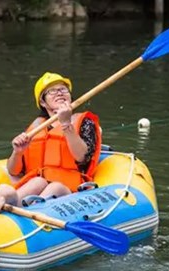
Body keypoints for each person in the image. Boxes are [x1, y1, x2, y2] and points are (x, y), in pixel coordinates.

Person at [6, 72, 102, 205]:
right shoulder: (36, 128)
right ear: (42, 102)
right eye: (52, 91)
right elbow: (14, 171)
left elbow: (82, 157)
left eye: (63, 89)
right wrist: (17, 152)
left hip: (68, 190)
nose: (59, 93)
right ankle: (3, 210)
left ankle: (30, 212)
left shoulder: (84, 123)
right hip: (37, 184)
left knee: (55, 187)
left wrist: (66, 124)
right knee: (36, 182)